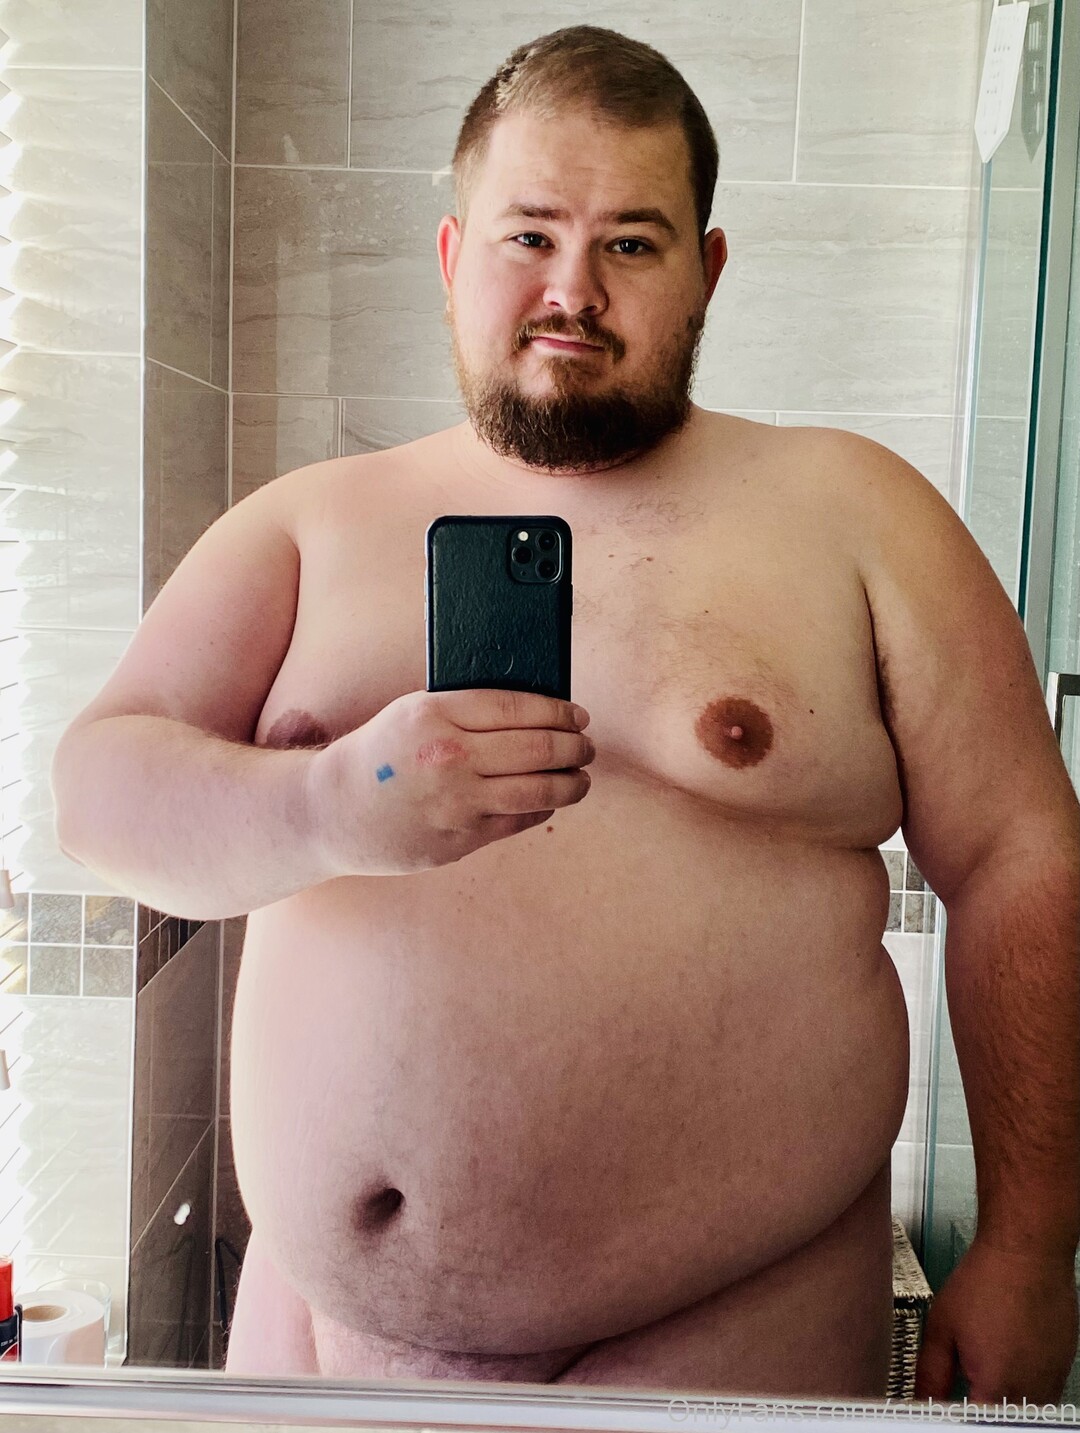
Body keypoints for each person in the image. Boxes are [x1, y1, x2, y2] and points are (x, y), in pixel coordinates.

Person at [51, 24, 1080, 1402]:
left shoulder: (858, 514)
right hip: (334, 1356)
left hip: (733, 1335)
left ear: (708, 269)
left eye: (631, 244)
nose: (572, 291)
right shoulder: (306, 525)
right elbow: (98, 795)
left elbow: (1022, 856)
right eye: (529, 235)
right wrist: (329, 802)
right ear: (451, 255)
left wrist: (1028, 1245)